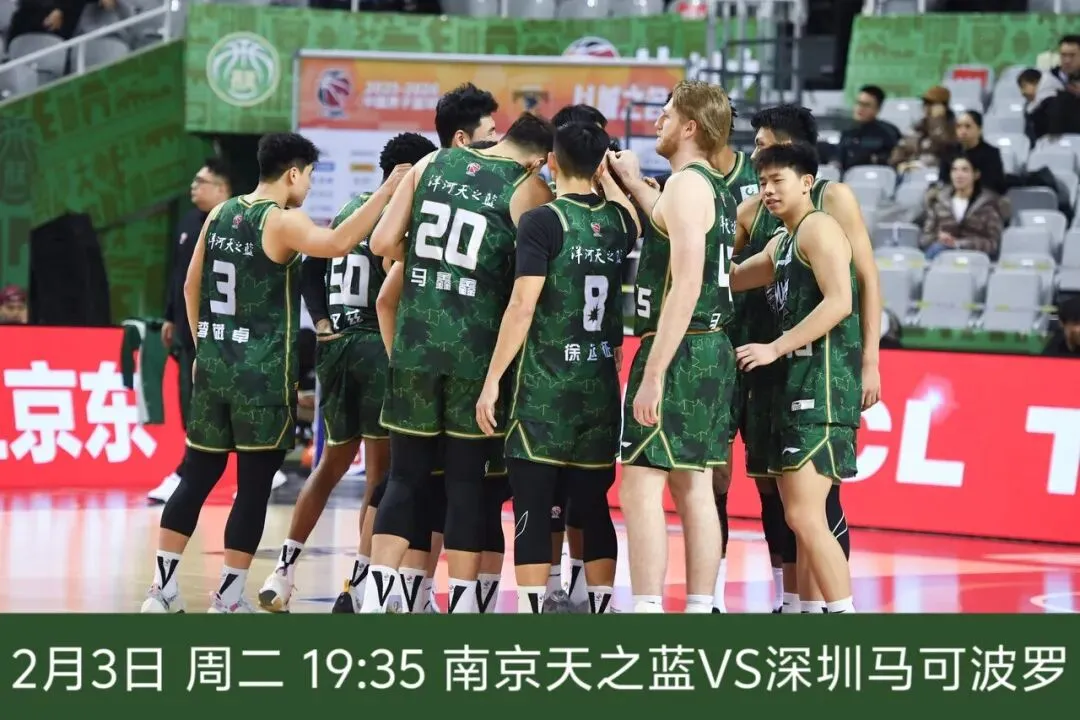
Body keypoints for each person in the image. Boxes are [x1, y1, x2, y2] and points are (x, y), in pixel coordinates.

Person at [140, 132, 391, 614]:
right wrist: (388, 190)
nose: (310, 186)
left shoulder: (220, 212)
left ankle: (161, 590)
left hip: (214, 368)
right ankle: (228, 597)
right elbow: (338, 242)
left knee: (195, 478)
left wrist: (203, 350)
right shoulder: (283, 220)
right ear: (293, 173)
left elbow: (191, 286)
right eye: (310, 176)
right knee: (253, 489)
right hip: (262, 377)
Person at [360, 112, 554, 614]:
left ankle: (375, 600)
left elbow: (381, 244)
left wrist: (429, 261)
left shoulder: (432, 162)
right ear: (538, 160)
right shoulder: (530, 189)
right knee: (467, 485)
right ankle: (464, 607)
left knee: (404, 479)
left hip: (414, 347)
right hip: (476, 356)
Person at [256, 133, 436, 613]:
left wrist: (321, 323)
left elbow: (312, 270)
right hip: (376, 346)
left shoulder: (350, 209)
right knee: (381, 476)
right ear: (409, 172)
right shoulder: (401, 213)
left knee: (329, 465)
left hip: (336, 348)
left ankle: (283, 571)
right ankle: (357, 587)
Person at [475, 120, 639, 613]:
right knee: (593, 507)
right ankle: (601, 610)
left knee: (532, 505)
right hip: (598, 388)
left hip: (544, 390)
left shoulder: (542, 221)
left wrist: (492, 380)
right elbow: (631, 211)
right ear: (600, 163)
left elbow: (522, 306)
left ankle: (533, 613)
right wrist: (609, 177)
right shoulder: (620, 222)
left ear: (550, 161)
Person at [738, 104, 880, 613]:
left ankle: (841, 617)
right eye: (762, 181)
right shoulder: (783, 237)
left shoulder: (821, 223)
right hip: (789, 385)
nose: (767, 189)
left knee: (808, 514)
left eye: (776, 179)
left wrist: (776, 347)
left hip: (821, 385)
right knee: (797, 514)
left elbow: (844, 298)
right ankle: (807, 610)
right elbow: (726, 278)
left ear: (805, 180)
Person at [607, 80, 736, 614]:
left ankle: (647, 608)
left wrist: (654, 372)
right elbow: (667, 220)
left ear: (689, 126)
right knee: (694, 485)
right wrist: (633, 183)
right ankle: (702, 606)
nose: (657, 122)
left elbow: (685, 284)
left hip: (679, 347)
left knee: (640, 484)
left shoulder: (685, 186)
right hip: (711, 347)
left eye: (665, 115)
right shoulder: (714, 187)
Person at [147, 160, 291, 504]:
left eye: (202, 181)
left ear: (223, 189)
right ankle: (193, 470)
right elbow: (181, 277)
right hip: (192, 330)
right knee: (192, 402)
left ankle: (250, 470)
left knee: (231, 405)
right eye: (194, 181)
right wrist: (169, 316)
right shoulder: (188, 223)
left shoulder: (243, 224)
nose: (194, 187)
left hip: (230, 336)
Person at [538, 102, 620, 613]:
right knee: (579, 498)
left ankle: (561, 589)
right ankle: (581, 593)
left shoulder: (545, 213)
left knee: (562, 497)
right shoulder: (620, 217)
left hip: (553, 375)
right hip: (594, 371)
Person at [920, 154, 1007, 260]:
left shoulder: (989, 205)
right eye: (954, 170)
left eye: (964, 170)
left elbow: (993, 244)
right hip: (942, 256)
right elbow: (925, 239)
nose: (958, 175)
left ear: (976, 174)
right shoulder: (939, 202)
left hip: (974, 259)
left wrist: (958, 244)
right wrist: (938, 237)